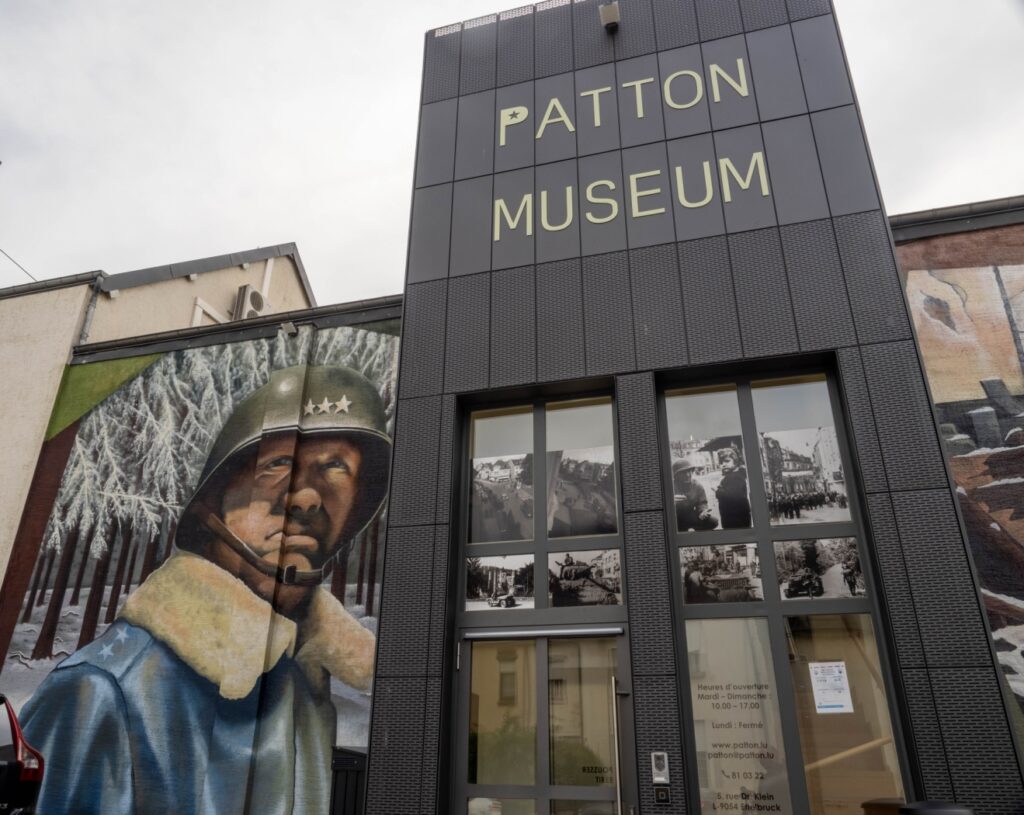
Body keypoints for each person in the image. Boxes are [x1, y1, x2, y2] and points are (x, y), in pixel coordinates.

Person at [20, 364, 392, 815]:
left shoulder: (300, 672)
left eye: (337, 467)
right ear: (213, 497)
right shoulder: (100, 691)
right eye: (278, 464)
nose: (308, 497)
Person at [673, 458, 718, 531]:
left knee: (713, 521)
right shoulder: (670, 486)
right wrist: (670, 502)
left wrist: (703, 511)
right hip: (675, 517)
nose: (688, 475)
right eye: (683, 473)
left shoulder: (697, 485)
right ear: (676, 475)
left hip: (690, 514)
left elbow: (702, 502)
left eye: (689, 471)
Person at [714, 447, 751, 529]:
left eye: (727, 461)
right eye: (721, 462)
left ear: (735, 462)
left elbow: (732, 496)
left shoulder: (735, 477)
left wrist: (718, 491)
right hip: (734, 517)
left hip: (735, 519)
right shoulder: (734, 476)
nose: (723, 464)